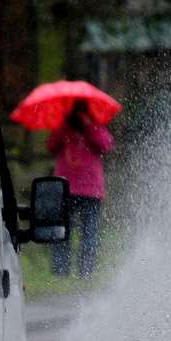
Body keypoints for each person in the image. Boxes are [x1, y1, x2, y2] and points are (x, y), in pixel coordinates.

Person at [47, 99, 114, 278]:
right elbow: (51, 145)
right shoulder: (64, 128)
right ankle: (61, 270)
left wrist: (89, 127)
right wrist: (63, 127)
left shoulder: (95, 126)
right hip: (66, 187)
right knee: (63, 231)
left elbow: (106, 145)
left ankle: (86, 270)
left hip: (90, 189)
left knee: (89, 232)